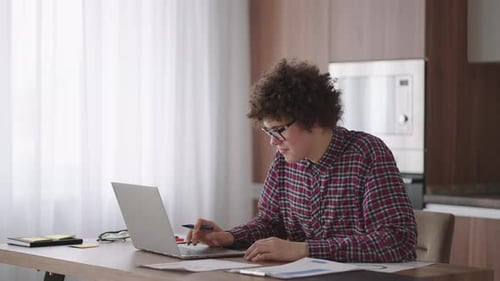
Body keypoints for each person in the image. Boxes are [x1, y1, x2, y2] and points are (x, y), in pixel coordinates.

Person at [186, 59, 417, 263]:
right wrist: (229, 237)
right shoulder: (284, 162)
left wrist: (305, 250)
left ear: (313, 119)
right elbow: (270, 222)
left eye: (279, 130)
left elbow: (397, 240)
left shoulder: (368, 153)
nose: (273, 142)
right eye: (268, 132)